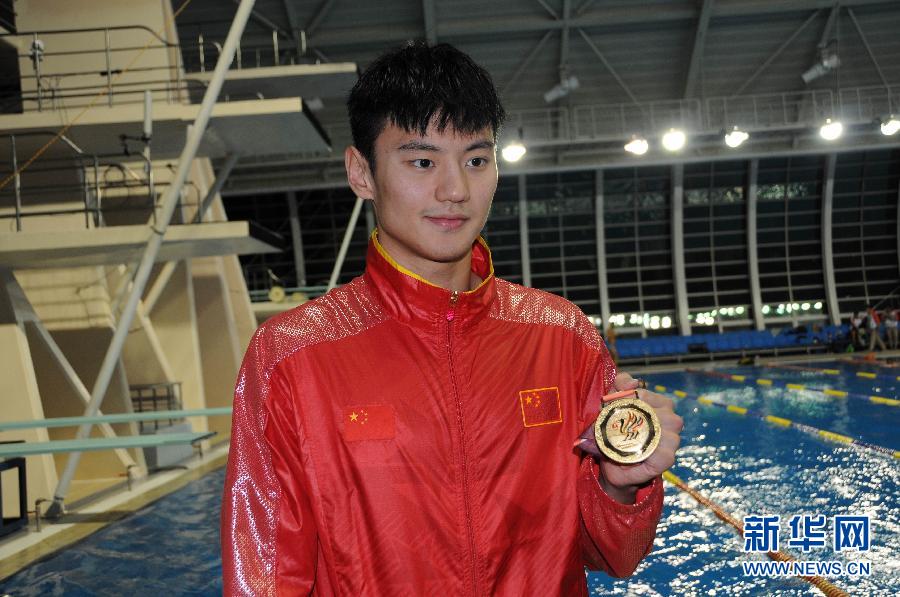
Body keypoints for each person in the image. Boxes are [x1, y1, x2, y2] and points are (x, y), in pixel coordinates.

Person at [221, 42, 682, 596]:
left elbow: (615, 554)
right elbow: (268, 577)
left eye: (476, 160)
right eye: (422, 162)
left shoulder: (562, 337)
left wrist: (622, 485)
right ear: (362, 173)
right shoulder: (293, 356)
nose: (456, 190)